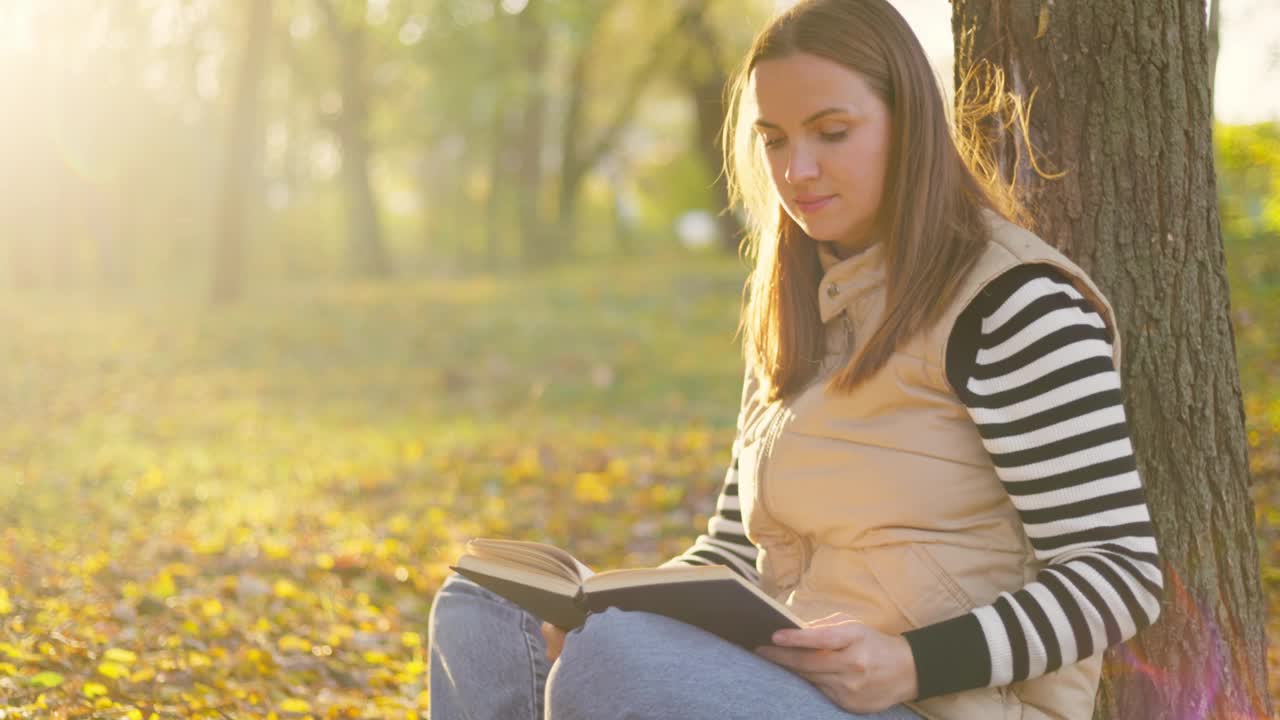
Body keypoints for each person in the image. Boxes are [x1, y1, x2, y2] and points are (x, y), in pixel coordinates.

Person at [427, 0, 1164, 717]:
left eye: (831, 132)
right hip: (788, 683)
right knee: (486, 605)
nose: (797, 169)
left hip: (935, 703)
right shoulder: (799, 305)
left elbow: (1120, 571)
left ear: (910, 125)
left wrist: (912, 661)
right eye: (774, 139)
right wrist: (594, 608)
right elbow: (731, 553)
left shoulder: (1011, 304)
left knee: (616, 658)